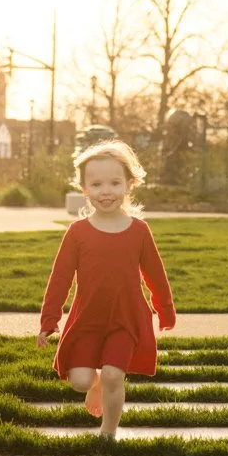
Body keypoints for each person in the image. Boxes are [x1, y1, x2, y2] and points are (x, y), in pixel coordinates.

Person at [38, 140, 175, 438]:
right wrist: (49, 320)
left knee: (115, 375)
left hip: (125, 319)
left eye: (114, 183)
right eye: (97, 184)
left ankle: (108, 433)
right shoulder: (77, 233)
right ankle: (96, 384)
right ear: (84, 188)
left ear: (129, 184)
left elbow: (155, 274)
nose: (106, 191)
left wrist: (165, 309)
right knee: (80, 381)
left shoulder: (139, 230)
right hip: (87, 319)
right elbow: (60, 279)